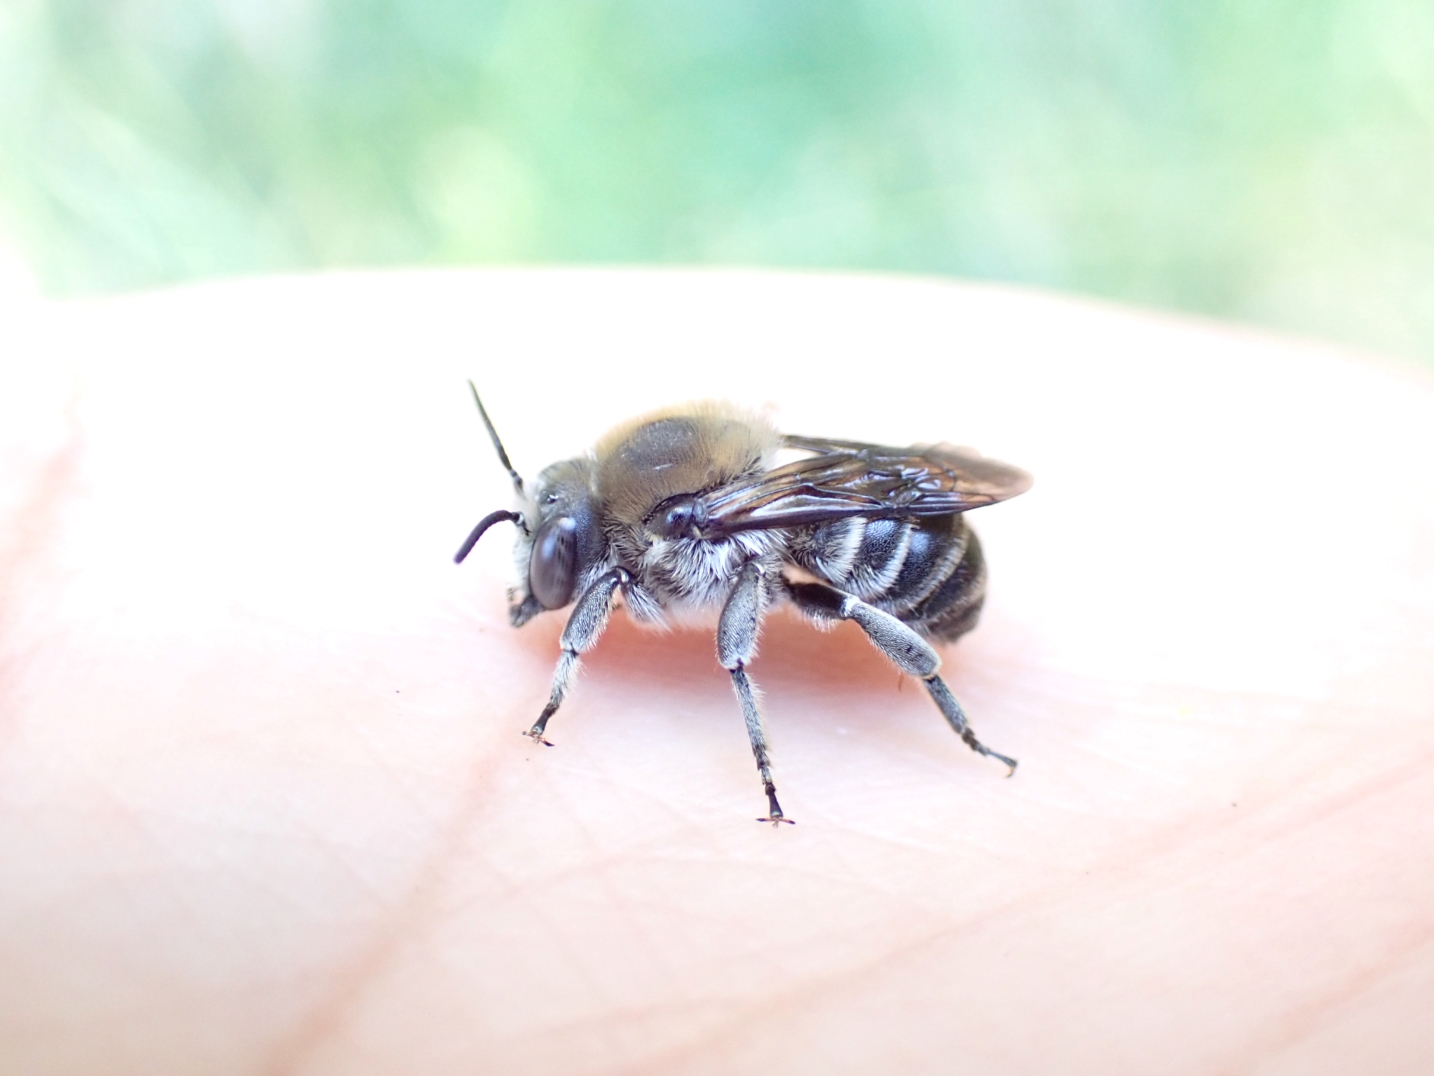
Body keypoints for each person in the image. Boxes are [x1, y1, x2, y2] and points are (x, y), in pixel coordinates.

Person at [2, 269, 1431, 1074]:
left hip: (895, 547)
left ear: (615, 532)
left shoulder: (681, 525)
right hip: (825, 504)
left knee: (817, 605)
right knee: (776, 582)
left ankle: (948, 716)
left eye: (555, 555)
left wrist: (642, 719)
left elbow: (706, 587)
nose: (551, 580)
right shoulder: (644, 497)